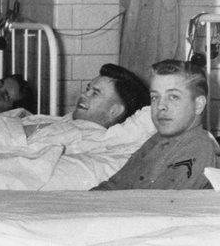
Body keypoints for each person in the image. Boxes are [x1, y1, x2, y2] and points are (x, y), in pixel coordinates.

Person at [93, 60, 218, 190]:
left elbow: (160, 205)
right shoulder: (157, 141)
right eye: (155, 97)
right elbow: (114, 185)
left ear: (198, 105)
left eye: (173, 97)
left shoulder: (197, 149)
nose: (160, 106)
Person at [70, 63, 150, 127]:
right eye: (88, 89)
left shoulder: (96, 141)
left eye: (95, 93)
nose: (83, 95)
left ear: (114, 111)